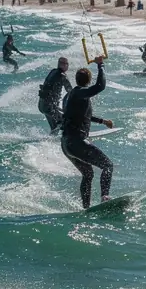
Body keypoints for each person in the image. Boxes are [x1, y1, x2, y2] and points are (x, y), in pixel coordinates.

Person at [60, 56, 115, 209]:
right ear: (88, 82)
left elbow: (82, 115)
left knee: (88, 174)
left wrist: (102, 121)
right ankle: (105, 197)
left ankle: (86, 207)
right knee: (107, 165)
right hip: (77, 142)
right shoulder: (80, 93)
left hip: (66, 145)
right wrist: (100, 65)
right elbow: (100, 86)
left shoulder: (70, 96)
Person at [38, 57, 72, 131]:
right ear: (63, 65)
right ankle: (67, 140)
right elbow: (70, 91)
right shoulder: (63, 75)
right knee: (64, 123)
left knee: (55, 127)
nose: (68, 66)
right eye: (67, 64)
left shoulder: (53, 71)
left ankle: (51, 140)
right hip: (49, 107)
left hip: (42, 105)